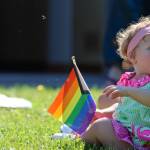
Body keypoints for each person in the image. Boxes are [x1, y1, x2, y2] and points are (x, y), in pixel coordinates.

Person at [81, 16, 150, 150]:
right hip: (127, 138)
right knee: (101, 121)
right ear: (133, 56)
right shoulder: (129, 80)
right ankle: (81, 136)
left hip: (143, 141)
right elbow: (126, 107)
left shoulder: (130, 89)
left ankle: (79, 137)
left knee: (100, 126)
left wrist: (128, 91)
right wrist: (103, 112)